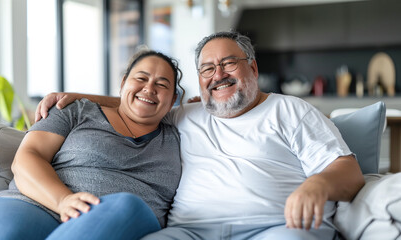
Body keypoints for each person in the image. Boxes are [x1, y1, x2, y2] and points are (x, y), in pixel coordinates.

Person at [35, 31, 365, 239]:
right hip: (190, 232)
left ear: (253, 68)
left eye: (229, 64)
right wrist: (76, 97)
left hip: (277, 228)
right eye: (207, 68)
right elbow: (142, 103)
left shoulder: (290, 110)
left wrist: (317, 184)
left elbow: (349, 173)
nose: (217, 74)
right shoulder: (187, 115)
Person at [0, 50, 184, 240]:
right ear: (123, 83)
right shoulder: (76, 110)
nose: (149, 88)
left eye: (162, 84)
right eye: (141, 78)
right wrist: (63, 200)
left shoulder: (183, 129)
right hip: (34, 204)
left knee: (128, 206)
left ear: (174, 98)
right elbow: (27, 157)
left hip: (120, 221)